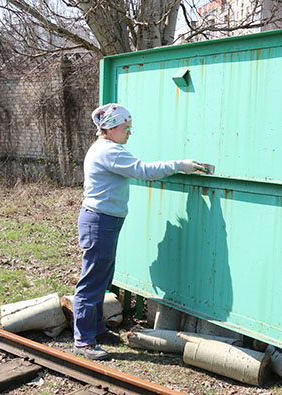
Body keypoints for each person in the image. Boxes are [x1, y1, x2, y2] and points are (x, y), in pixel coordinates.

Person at [72, 103, 203, 360]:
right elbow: (143, 171)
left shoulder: (106, 148)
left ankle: (96, 329)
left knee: (102, 277)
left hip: (103, 220)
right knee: (93, 280)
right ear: (110, 128)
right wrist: (179, 164)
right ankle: (84, 341)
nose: (129, 133)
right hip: (99, 222)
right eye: (126, 128)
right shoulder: (109, 151)